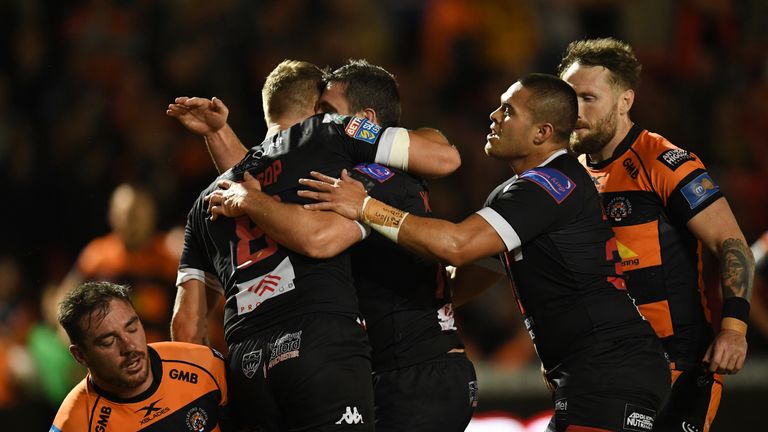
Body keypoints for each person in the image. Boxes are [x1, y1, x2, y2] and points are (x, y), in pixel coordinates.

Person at [299, 73, 671, 432]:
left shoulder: (548, 184)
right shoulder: (519, 191)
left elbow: (458, 246)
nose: (494, 116)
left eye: (508, 111)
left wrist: (365, 207)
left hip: (609, 367)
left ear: (542, 132)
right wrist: (421, 310)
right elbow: (481, 269)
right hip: (588, 370)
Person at [173, 59, 476, 432]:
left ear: (365, 120)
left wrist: (362, 205)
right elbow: (273, 177)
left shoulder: (367, 179)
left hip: (409, 370)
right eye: (320, 111)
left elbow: (314, 233)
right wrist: (220, 136)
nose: (322, 118)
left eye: (329, 111)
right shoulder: (325, 159)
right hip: (342, 355)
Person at [556, 38, 754, 432]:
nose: (575, 111)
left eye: (589, 98)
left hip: (678, 366)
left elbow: (733, 246)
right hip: (608, 367)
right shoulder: (568, 174)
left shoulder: (663, 161)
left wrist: (733, 330)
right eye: (569, 98)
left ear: (625, 101)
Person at [57, 183, 227, 348]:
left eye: (137, 215)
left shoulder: (171, 255)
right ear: (111, 215)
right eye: (125, 214)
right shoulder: (96, 255)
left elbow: (216, 303)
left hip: (167, 354)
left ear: (152, 215)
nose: (131, 222)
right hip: (112, 355)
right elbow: (64, 296)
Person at [50, 281, 229, 432]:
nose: (129, 347)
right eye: (108, 341)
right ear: (80, 355)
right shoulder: (73, 424)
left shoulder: (203, 364)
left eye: (132, 328)